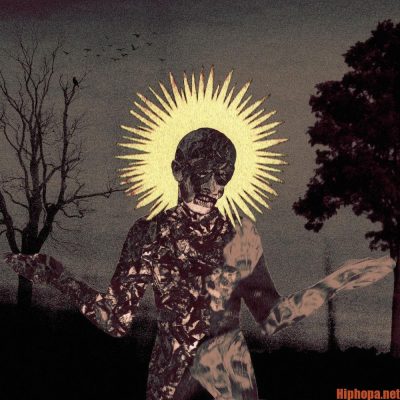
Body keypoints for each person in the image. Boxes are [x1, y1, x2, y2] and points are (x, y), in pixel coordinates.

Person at [4, 128, 395, 400]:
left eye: (223, 175)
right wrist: (58, 277)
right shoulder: (148, 234)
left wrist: (340, 279)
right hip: (170, 379)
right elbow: (116, 320)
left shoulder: (240, 238)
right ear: (178, 170)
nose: (213, 187)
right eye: (205, 172)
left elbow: (272, 317)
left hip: (231, 378)